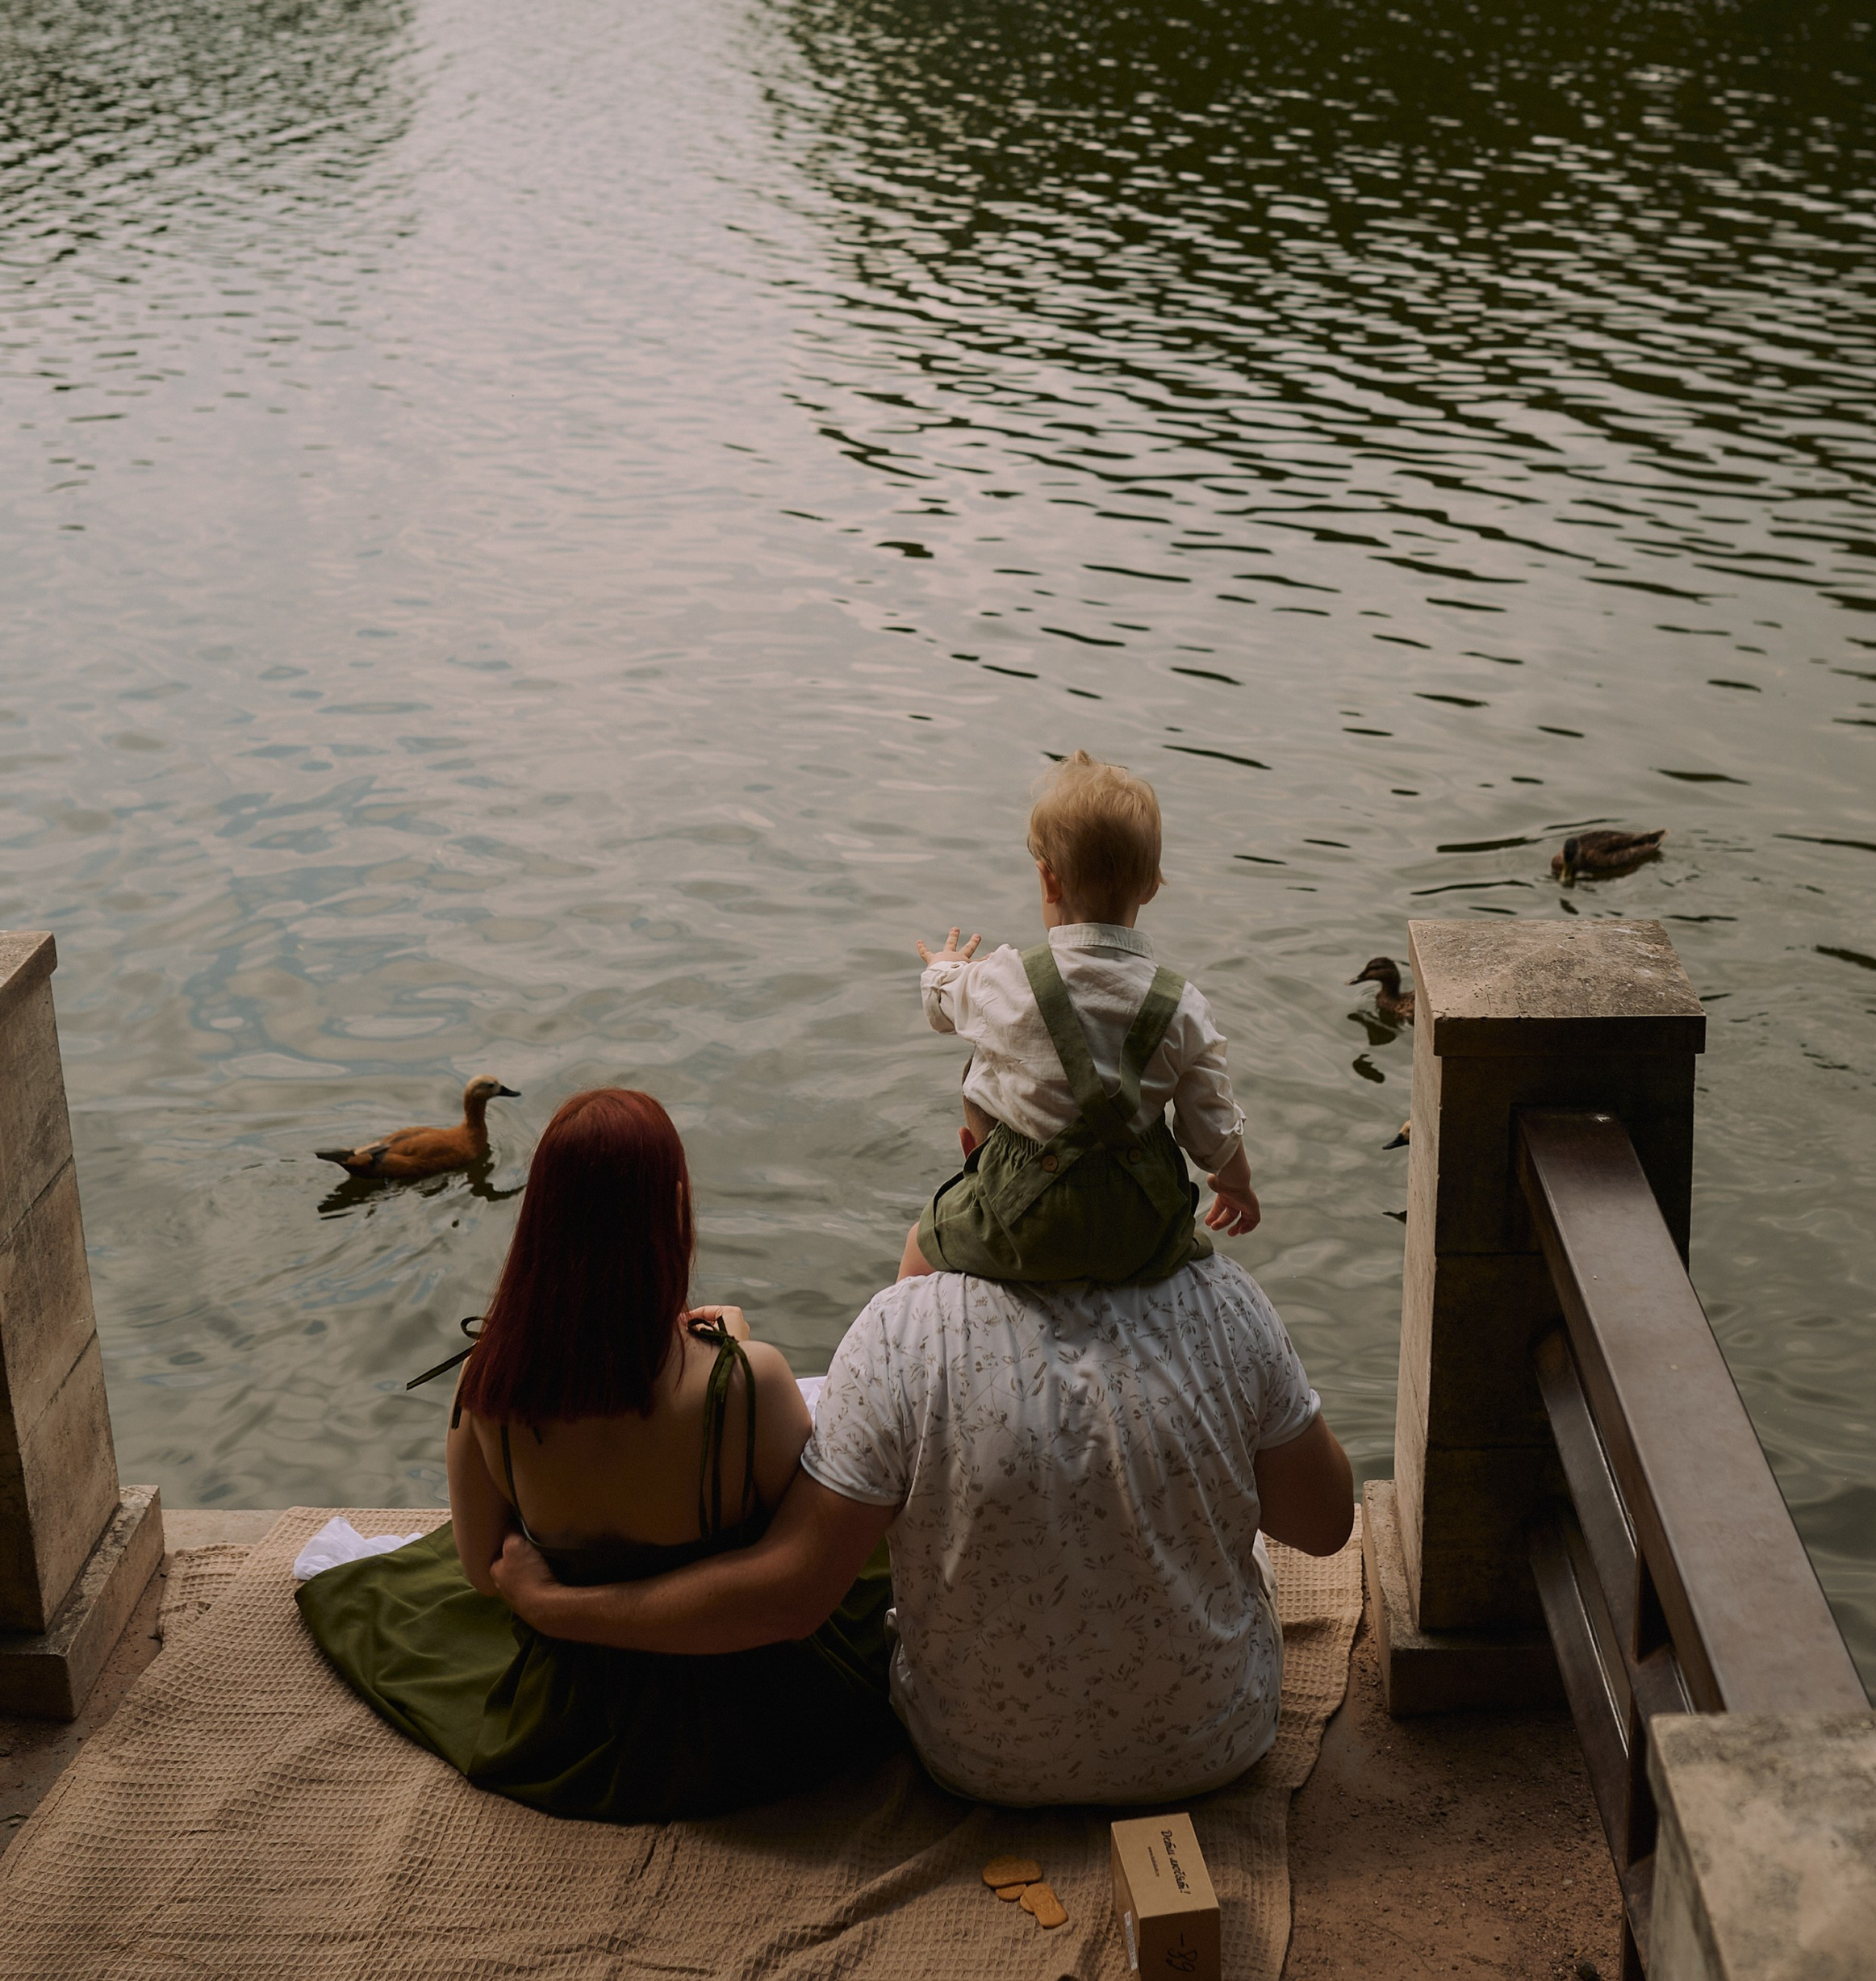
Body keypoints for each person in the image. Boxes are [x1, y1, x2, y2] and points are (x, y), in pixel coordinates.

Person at [490, 1227, 1356, 1809]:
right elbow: (1321, 1525)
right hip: (1216, 1746)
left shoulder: (900, 1329)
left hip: (978, 1761)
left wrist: (557, 1607)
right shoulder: (1226, 1298)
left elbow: (790, 1598)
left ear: (969, 1142)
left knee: (891, 1508)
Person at [297, 1088, 901, 1820]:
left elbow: (483, 1573)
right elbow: (793, 1545)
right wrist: (735, 1355)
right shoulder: (749, 1380)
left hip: (574, 1711)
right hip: (754, 1708)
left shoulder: (487, 1386)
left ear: (542, 1219)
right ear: (674, 1208)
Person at [898, 750, 1261, 1289]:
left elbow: (941, 1003)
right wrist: (1237, 1187)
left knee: (921, 1242)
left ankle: (899, 1346)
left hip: (1022, 1225)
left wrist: (946, 968)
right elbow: (1213, 1126)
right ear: (1152, 886)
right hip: (1140, 1231)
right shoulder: (1181, 1004)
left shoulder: (1003, 978)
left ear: (1047, 881)